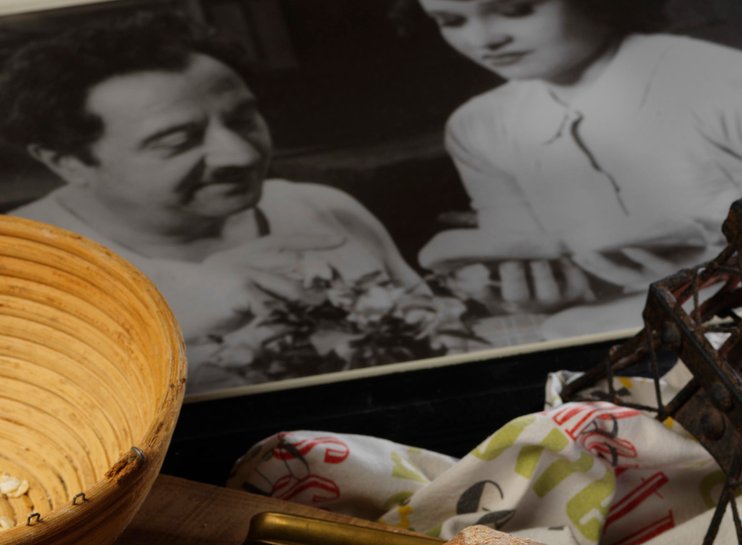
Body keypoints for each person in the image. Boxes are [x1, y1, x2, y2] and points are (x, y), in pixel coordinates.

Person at [0, 12, 426, 389]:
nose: (240, 155)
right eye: (177, 141)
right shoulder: (21, 268)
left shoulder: (325, 210)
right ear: (66, 161)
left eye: (243, 119)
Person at [415, 0, 742, 332]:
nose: (484, 39)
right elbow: (526, 257)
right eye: (451, 21)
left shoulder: (715, 80)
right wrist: (544, 290)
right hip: (621, 332)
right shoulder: (480, 127)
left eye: (516, 10)